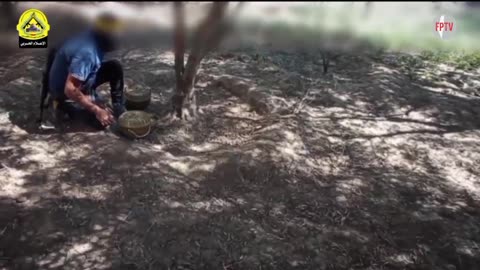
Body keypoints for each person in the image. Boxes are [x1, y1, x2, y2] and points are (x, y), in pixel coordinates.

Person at [46, 12, 126, 129]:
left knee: (115, 67)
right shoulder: (88, 53)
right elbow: (70, 89)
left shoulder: (93, 36)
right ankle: (61, 106)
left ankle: (118, 107)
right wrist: (97, 110)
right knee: (101, 122)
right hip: (64, 91)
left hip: (77, 78)